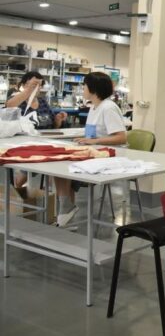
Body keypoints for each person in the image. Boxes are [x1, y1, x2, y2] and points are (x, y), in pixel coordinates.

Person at [48, 71, 128, 227]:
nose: (82, 88)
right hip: (96, 151)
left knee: (63, 166)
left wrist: (93, 141)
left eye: (84, 85)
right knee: (60, 164)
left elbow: (121, 138)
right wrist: (84, 139)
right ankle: (66, 210)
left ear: (94, 88)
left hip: (109, 156)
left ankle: (66, 208)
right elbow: (94, 134)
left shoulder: (108, 108)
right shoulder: (94, 107)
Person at [5, 71, 68, 198]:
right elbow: (9, 106)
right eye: (33, 84)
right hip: (25, 145)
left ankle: (53, 197)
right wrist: (28, 90)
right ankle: (20, 186)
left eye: (39, 85)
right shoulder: (17, 101)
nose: (37, 88)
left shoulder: (43, 102)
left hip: (46, 144)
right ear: (23, 85)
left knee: (59, 162)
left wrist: (58, 120)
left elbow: (53, 126)